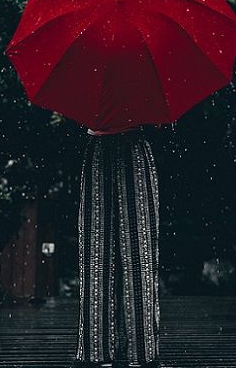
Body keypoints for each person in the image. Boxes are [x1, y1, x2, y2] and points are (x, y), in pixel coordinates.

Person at [75, 125, 160, 368]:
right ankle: (105, 349)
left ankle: (129, 350)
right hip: (108, 150)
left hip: (121, 150)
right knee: (102, 255)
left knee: (135, 254)